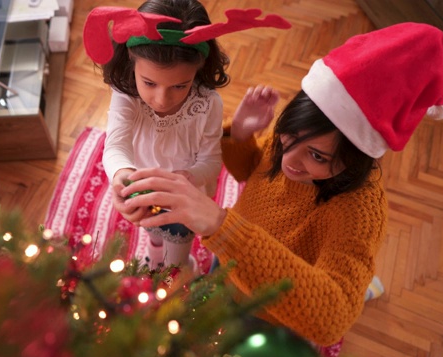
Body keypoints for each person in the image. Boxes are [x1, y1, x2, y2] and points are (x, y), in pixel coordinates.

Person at [114, 22, 443, 355]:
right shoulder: (297, 139)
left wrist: (222, 226)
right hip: (229, 267)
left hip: (267, 312)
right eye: (288, 135)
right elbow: (252, 170)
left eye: (317, 156)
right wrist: (242, 133)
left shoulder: (360, 213)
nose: (290, 159)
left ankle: (362, 284)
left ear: (357, 159)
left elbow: (332, 320)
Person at [82, 1, 290, 271]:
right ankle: (155, 255)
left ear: (199, 69)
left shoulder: (207, 104)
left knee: (176, 255)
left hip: (186, 197)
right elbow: (116, 144)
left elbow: (211, 162)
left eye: (180, 85)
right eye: (149, 83)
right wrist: (122, 172)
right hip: (144, 191)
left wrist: (190, 177)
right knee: (153, 232)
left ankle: (178, 273)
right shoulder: (126, 95)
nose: (161, 99)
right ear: (131, 61)